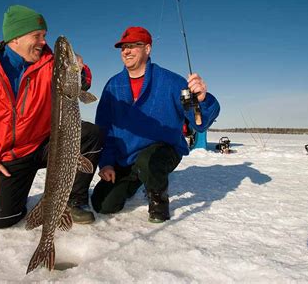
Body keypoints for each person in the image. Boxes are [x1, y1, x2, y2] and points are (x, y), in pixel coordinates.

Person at [0, 5, 102, 229]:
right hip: (9, 155)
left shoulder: (50, 63)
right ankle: (13, 194)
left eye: (44, 35)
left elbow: (82, 83)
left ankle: (72, 200)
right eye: (37, 36)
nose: (44, 41)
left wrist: (80, 70)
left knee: (90, 134)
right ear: (15, 38)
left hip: (45, 144)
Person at [91, 26, 220, 223]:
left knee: (149, 161)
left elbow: (199, 124)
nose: (127, 51)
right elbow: (105, 129)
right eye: (123, 47)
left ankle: (158, 199)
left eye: (134, 45)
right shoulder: (113, 85)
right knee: (103, 204)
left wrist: (202, 100)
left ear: (148, 49)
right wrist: (107, 162)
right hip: (127, 157)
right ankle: (136, 180)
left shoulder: (172, 82)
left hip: (163, 151)